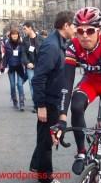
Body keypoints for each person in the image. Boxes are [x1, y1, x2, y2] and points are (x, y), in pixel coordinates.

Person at [51, 7, 101, 183]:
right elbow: (67, 82)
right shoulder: (73, 46)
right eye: (80, 30)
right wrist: (62, 119)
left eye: (90, 30)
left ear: (98, 31)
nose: (84, 35)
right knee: (76, 105)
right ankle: (81, 151)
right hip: (91, 83)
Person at [29, 11, 75, 183]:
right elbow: (39, 78)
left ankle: (37, 166)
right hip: (48, 101)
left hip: (53, 99)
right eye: (74, 25)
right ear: (66, 25)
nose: (76, 29)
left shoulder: (60, 42)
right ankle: (45, 177)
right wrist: (40, 105)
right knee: (48, 140)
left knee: (45, 137)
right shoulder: (52, 46)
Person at [22, 21, 44, 113]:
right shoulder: (25, 40)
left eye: (25, 28)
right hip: (30, 67)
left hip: (40, 66)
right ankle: (36, 105)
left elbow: (44, 53)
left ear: (30, 28)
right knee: (32, 85)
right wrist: (27, 63)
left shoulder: (41, 39)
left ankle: (41, 104)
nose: (24, 30)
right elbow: (23, 54)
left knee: (41, 85)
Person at [2, 29, 25, 111]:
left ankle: (22, 102)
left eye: (16, 34)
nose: (14, 36)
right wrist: (4, 66)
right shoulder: (7, 44)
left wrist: (25, 62)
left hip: (20, 66)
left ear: (18, 35)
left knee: (19, 84)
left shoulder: (21, 44)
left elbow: (24, 54)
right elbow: (5, 56)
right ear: (10, 35)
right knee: (12, 85)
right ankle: (15, 100)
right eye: (13, 34)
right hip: (11, 67)